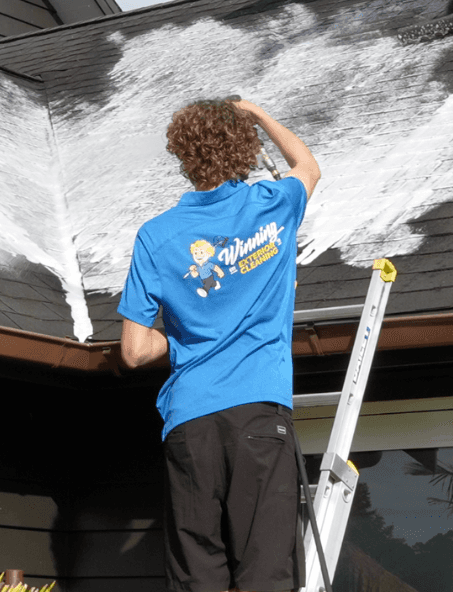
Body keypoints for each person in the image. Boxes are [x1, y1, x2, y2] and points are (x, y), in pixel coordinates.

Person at [119, 97, 320, 592]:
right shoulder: (271, 206)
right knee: (266, 573)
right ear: (244, 150)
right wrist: (259, 113)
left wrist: (188, 331)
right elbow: (308, 166)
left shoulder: (156, 236)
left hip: (190, 425)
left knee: (197, 578)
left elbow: (135, 351)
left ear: (183, 155)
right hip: (257, 413)